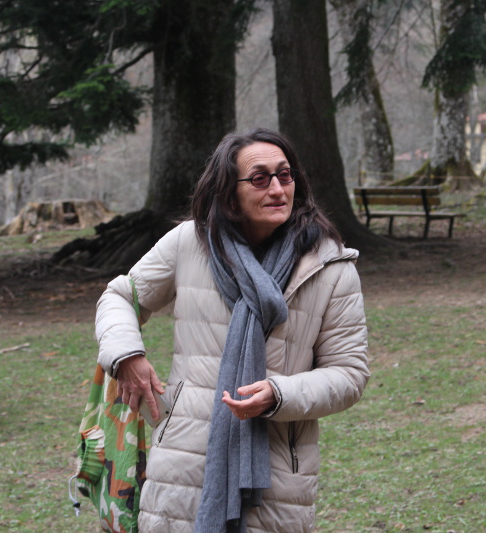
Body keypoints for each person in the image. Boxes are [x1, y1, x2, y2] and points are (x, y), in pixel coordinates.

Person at [95, 127, 369, 532]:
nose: (277, 189)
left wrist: (280, 394)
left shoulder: (330, 266)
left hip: (277, 472)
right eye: (259, 179)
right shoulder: (189, 243)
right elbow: (120, 296)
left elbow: (350, 374)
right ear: (228, 192)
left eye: (285, 175)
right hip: (184, 456)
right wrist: (127, 356)